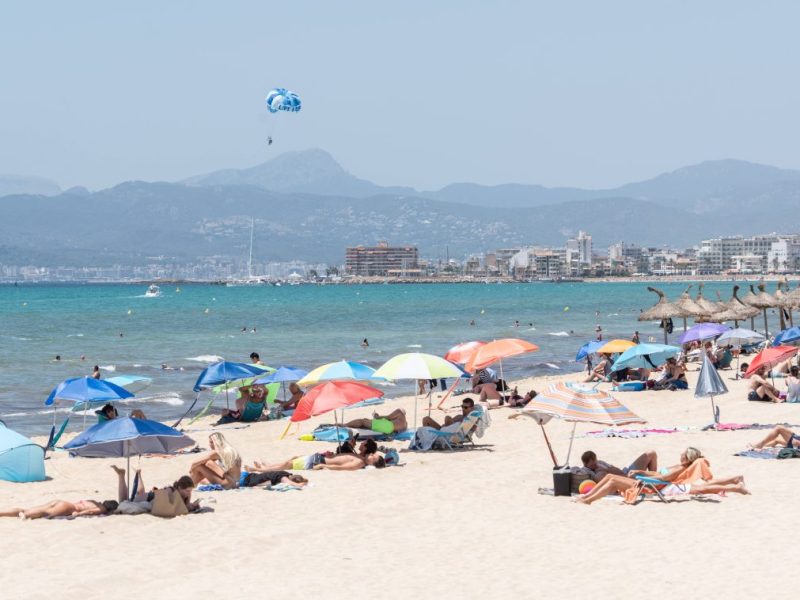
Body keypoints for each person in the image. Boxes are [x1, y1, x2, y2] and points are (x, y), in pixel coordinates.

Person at [577, 447, 749, 504]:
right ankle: (587, 496)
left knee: (611, 479)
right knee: (609, 478)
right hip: (650, 481)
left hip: (651, 486)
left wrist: (640, 473)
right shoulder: (678, 466)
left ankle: (587, 500)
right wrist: (643, 472)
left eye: (683, 453)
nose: (680, 453)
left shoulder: (678, 469)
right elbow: (658, 473)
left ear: (686, 458)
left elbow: (661, 479)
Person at [112, 465, 198, 512]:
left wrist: (191, 506)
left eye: (190, 491)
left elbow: (185, 506)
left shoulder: (187, 494)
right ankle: (122, 475)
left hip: (151, 498)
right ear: (179, 487)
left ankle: (136, 474)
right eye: (187, 490)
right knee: (123, 502)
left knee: (136, 495)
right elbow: (162, 502)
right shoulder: (170, 490)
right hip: (151, 497)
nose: (189, 493)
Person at [247, 451, 385, 472]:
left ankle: (260, 470)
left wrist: (323, 465)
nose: (373, 454)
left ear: (373, 462)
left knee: (289, 465)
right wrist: (332, 454)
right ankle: (268, 465)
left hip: (319, 461)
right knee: (294, 459)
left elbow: (344, 467)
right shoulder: (360, 457)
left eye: (375, 456)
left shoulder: (360, 463)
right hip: (320, 457)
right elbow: (340, 458)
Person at [0, 498, 118, 519]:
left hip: (62, 501)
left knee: (27, 509)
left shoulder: (93, 501)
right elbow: (91, 511)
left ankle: (2, 513)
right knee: (43, 513)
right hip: (68, 507)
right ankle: (24, 516)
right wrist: (79, 514)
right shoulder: (101, 508)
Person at [580, 449, 658, 482]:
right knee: (600, 474)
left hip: (627, 473)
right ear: (585, 464)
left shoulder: (600, 463)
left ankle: (654, 482)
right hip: (625, 480)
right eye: (592, 463)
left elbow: (618, 470)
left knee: (651, 453)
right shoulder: (588, 471)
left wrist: (607, 470)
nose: (595, 464)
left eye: (595, 461)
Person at [343, 408, 408, 435]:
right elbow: (396, 430)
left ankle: (345, 425)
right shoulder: (405, 423)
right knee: (366, 422)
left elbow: (388, 417)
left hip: (387, 426)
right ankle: (350, 426)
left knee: (362, 421)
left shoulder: (399, 412)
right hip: (389, 429)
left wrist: (377, 417)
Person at [240, 470, 308, 489]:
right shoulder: (283, 477)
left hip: (247, 475)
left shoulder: (285, 473)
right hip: (244, 480)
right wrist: (298, 484)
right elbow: (289, 482)